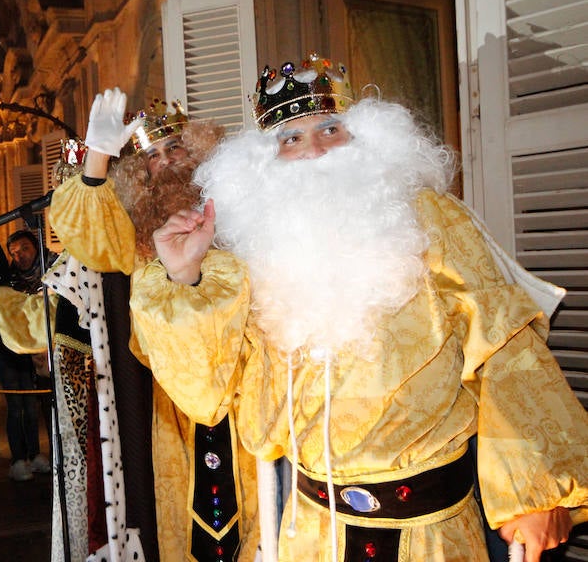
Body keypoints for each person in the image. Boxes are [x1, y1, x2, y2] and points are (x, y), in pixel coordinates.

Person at [128, 53, 588, 562]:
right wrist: (185, 276)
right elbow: (210, 388)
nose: (313, 152)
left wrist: (534, 489)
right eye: (290, 139)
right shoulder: (257, 249)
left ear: (366, 137)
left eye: (329, 129)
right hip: (311, 533)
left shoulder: (430, 216)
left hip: (430, 536)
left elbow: (504, 343)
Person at [44, 90, 261, 561]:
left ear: (198, 150)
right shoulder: (134, 235)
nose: (166, 162)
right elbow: (84, 233)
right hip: (174, 405)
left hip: (254, 395)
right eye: (152, 156)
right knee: (188, 524)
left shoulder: (242, 205)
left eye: (175, 148)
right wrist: (97, 161)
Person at [0, 228, 55, 481]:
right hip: (30, 356)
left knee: (39, 407)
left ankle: (43, 455)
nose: (20, 257)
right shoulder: (12, 281)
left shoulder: (55, 267)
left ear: (36, 247)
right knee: (24, 406)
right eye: (14, 253)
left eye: (25, 249)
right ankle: (23, 458)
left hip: (60, 349)